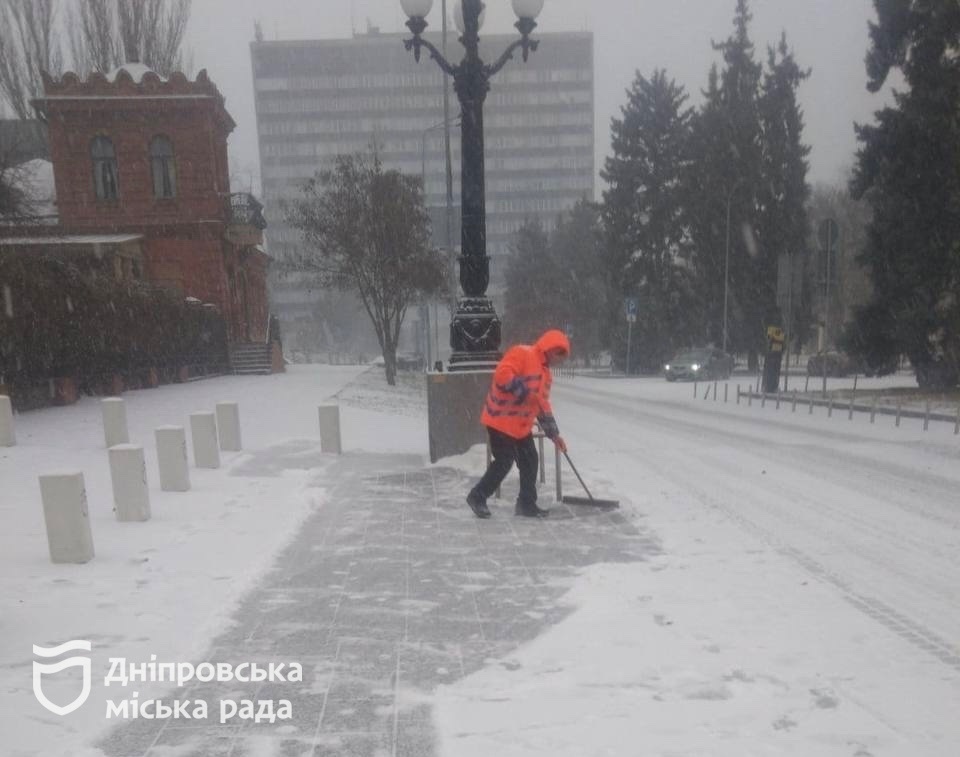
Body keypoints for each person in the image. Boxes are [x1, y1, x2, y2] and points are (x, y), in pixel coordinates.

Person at [466, 329, 570, 519]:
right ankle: (477, 496)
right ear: (549, 347)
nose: (558, 359)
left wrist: (554, 435)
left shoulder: (546, 375)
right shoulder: (523, 353)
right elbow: (502, 374)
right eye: (558, 353)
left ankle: (526, 504)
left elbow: (542, 405)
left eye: (561, 356)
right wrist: (524, 393)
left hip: (520, 426)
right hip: (500, 419)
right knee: (505, 461)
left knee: (530, 459)